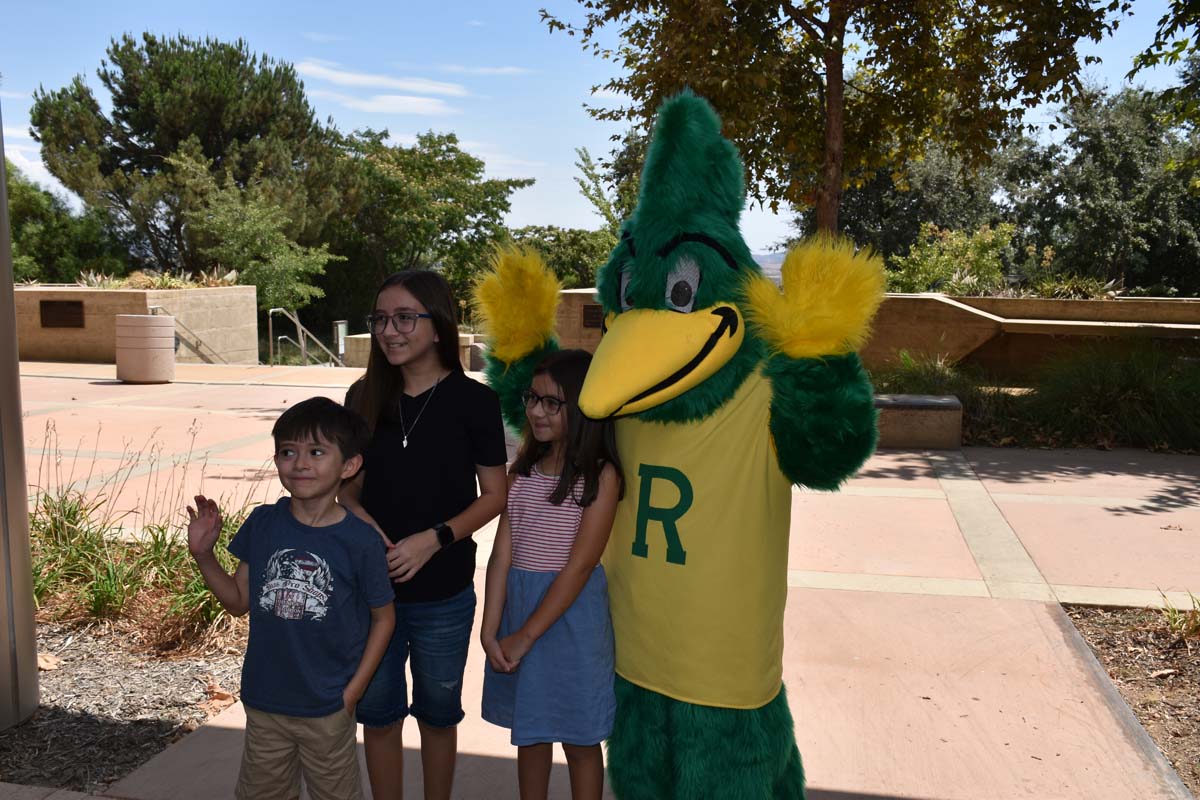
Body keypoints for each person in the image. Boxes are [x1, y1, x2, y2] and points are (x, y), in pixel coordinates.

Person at [341, 270, 508, 800]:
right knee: (379, 716)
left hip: (446, 594)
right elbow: (346, 490)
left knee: (438, 716)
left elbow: (495, 495)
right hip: (373, 594)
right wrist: (373, 534)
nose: (390, 330)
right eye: (382, 319)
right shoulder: (362, 397)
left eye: (405, 317)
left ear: (437, 327)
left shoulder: (475, 402)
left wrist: (433, 539)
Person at [186, 396, 396, 800]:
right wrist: (203, 555)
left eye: (317, 452)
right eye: (288, 451)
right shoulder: (263, 524)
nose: (300, 463)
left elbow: (384, 617)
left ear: (349, 466)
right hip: (265, 701)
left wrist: (352, 693)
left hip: (327, 705)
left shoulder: (360, 540)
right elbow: (237, 600)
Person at [480, 349, 624, 800]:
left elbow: (580, 566)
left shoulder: (601, 476)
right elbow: (502, 554)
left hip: (570, 618)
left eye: (551, 403)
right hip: (520, 607)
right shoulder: (520, 473)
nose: (536, 411)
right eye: (532, 399)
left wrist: (525, 636)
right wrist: (490, 630)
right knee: (532, 732)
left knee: (581, 739)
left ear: (581, 407)